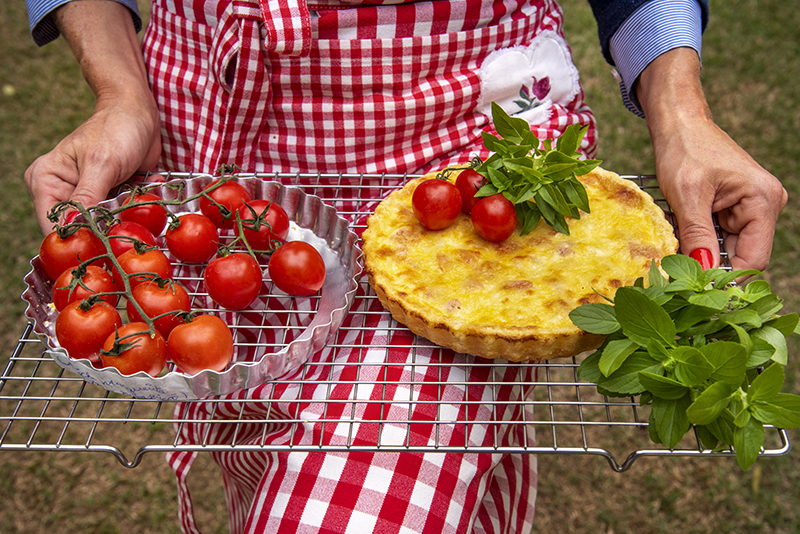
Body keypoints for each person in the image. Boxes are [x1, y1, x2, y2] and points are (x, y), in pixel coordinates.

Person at [22, 1, 788, 533]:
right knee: (257, 444)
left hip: (468, 170)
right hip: (231, 175)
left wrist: (683, 110)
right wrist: (121, 91)